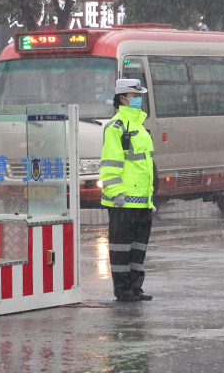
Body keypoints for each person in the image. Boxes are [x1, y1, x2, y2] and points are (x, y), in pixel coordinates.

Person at [99, 78, 156, 302]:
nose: (139, 100)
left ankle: (135, 287)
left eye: (140, 96)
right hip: (122, 201)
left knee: (138, 249)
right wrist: (116, 193)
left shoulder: (140, 128)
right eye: (135, 97)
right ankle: (122, 290)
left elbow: (146, 167)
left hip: (142, 201)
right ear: (123, 99)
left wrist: (150, 198)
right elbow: (110, 164)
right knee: (121, 248)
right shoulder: (116, 127)